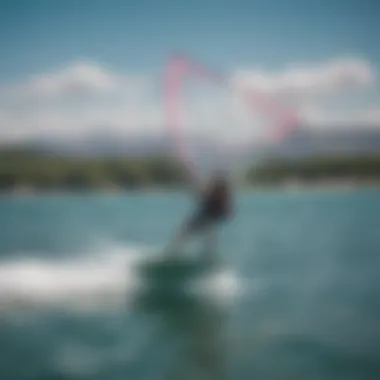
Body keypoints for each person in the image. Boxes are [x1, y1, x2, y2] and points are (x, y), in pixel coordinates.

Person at [167, 170, 233, 259]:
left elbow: (226, 212)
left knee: (208, 233)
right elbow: (202, 197)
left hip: (208, 218)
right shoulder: (212, 194)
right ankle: (173, 253)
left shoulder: (221, 197)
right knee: (185, 233)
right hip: (202, 216)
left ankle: (208, 256)